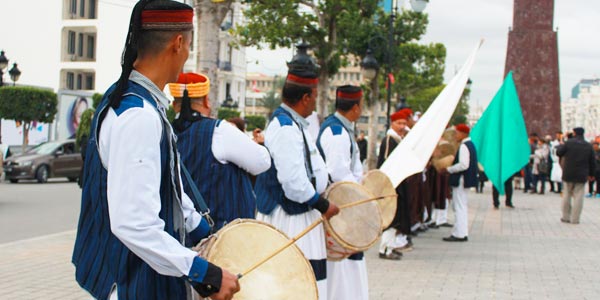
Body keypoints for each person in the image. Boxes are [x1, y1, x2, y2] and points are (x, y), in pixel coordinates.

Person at [72, 2, 239, 299]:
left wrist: (205, 231)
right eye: (189, 46)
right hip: (132, 285)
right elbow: (134, 223)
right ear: (178, 44)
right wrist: (204, 273)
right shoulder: (139, 115)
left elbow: (167, 190)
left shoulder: (130, 99)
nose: (187, 56)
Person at [254, 69, 340, 298]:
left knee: (307, 283)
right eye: (315, 96)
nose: (315, 102)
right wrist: (322, 205)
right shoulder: (285, 128)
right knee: (294, 285)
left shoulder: (294, 124)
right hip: (290, 218)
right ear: (305, 98)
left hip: (300, 216)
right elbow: (293, 183)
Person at [169, 72, 271, 230]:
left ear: (175, 104)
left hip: (179, 232)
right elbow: (262, 162)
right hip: (220, 234)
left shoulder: (165, 132)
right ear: (205, 101)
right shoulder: (219, 131)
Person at [316, 85, 368, 300]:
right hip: (340, 205)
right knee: (341, 263)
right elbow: (338, 173)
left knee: (350, 261)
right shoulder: (336, 133)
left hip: (346, 202)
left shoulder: (342, 128)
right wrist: (361, 194)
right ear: (355, 107)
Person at [376, 109, 413, 259]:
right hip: (391, 184)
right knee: (391, 216)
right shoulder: (389, 139)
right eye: (399, 123)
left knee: (398, 216)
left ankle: (390, 246)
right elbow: (385, 163)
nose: (402, 126)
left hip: (398, 182)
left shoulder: (399, 138)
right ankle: (385, 249)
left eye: (404, 123)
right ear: (393, 123)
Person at [440, 123, 478, 242]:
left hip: (461, 179)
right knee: (461, 206)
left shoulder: (464, 146)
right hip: (465, 180)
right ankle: (461, 231)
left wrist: (449, 169)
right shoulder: (471, 144)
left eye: (457, 133)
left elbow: (463, 165)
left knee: (459, 206)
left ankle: (459, 234)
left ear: (463, 133)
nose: (455, 135)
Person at [556, 127, 596, 224]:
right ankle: (575, 219)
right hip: (581, 174)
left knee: (566, 195)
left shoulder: (569, 143)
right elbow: (592, 161)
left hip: (568, 172)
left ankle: (566, 217)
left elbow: (559, 152)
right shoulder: (588, 145)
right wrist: (592, 174)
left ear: (574, 133)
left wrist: (563, 141)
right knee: (578, 196)